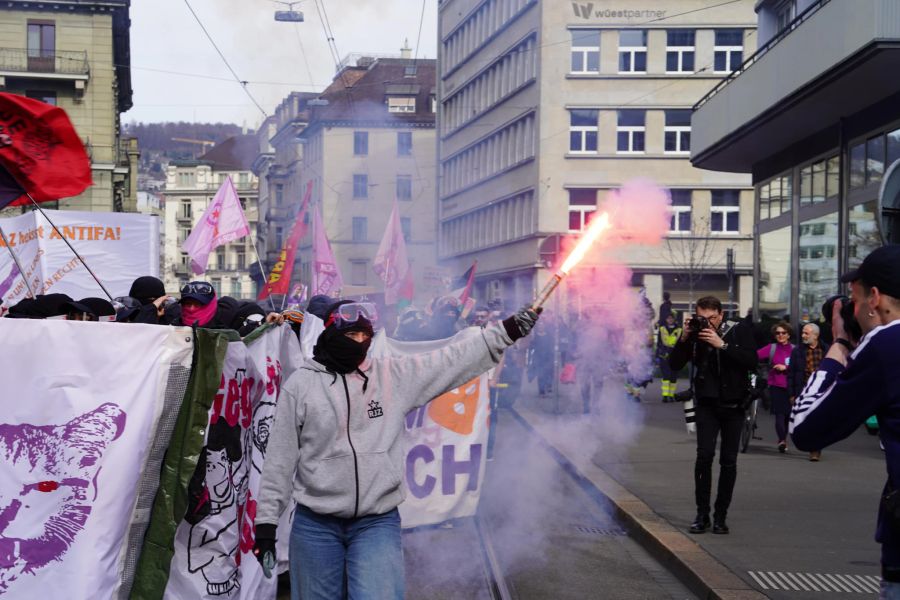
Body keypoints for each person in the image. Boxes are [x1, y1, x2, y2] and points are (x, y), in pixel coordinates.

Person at [252, 301, 541, 598]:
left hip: (376, 522)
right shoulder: (301, 385)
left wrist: (506, 332)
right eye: (352, 336)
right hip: (315, 525)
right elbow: (279, 459)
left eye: (366, 337)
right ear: (331, 333)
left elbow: (450, 360)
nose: (360, 344)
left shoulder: (392, 376)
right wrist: (266, 524)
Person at [789, 245, 900, 599]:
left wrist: (837, 347)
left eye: (854, 300)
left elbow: (805, 429)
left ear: (875, 298)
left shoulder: (886, 344)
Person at [669, 296, 757, 535]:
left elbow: (752, 361)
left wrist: (723, 345)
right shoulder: (696, 335)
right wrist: (685, 337)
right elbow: (674, 364)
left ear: (720, 314)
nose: (706, 323)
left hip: (734, 406)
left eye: (711, 318)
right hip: (707, 404)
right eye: (701, 318)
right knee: (704, 457)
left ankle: (720, 516)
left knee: (728, 462)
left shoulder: (739, 330)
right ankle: (701, 514)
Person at [787, 323, 829, 461]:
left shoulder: (826, 349)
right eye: (803, 333)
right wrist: (792, 394)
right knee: (806, 419)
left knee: (819, 420)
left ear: (816, 335)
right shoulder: (797, 351)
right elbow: (791, 373)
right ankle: (812, 446)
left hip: (822, 390)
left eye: (807, 333)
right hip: (803, 390)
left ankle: (815, 450)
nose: (803, 336)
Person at [757, 322, 795, 453]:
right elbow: (755, 356)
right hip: (775, 385)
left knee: (788, 415)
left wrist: (786, 368)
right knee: (779, 413)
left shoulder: (795, 350)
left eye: (783, 333)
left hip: (791, 386)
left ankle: (783, 438)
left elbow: (800, 367)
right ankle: (782, 440)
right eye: (778, 333)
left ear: (788, 334)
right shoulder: (771, 348)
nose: (780, 335)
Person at [657, 312, 682, 402]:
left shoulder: (679, 329)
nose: (670, 320)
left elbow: (681, 343)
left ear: (674, 319)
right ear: (666, 319)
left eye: (671, 318)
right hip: (665, 354)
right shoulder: (662, 329)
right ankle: (665, 395)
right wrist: (657, 355)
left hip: (675, 354)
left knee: (673, 376)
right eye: (668, 318)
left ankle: (671, 395)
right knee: (666, 375)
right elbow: (659, 343)